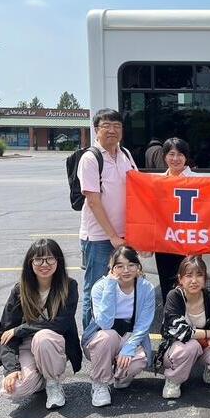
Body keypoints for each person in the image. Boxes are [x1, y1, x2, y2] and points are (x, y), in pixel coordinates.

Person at [0, 239, 81, 409]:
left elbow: (60, 324)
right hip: (26, 346)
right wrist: (11, 369)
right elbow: (6, 331)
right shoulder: (20, 289)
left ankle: (53, 384)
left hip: (52, 343)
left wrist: (21, 329)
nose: (44, 264)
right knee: (14, 390)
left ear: (58, 261)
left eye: (50, 259)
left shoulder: (69, 286)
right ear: (30, 262)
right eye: (38, 259)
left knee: (43, 338)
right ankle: (40, 375)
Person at [79, 108, 138, 328]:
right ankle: (91, 341)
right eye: (106, 126)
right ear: (96, 130)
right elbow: (93, 200)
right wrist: (112, 235)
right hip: (99, 238)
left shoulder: (126, 155)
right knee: (96, 289)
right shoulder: (91, 158)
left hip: (123, 236)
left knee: (120, 288)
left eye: (117, 126)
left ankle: (113, 336)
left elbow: (140, 186)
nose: (112, 130)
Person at [81, 246, 155, 407]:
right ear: (112, 268)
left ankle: (121, 376)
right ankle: (99, 383)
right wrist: (110, 286)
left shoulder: (146, 288)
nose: (126, 270)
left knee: (139, 359)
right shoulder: (100, 287)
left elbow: (144, 323)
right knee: (109, 336)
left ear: (138, 267)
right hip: (101, 338)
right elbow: (105, 323)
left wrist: (129, 347)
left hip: (129, 335)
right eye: (119, 266)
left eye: (131, 265)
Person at [156, 256, 210, 399]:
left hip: (203, 347)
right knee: (191, 346)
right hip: (176, 350)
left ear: (205, 278)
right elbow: (181, 332)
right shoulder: (174, 296)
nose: (194, 280)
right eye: (189, 276)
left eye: (199, 275)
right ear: (180, 279)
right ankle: (173, 380)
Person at [155, 137, 195, 303]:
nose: (175, 158)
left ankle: (190, 322)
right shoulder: (156, 182)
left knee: (190, 283)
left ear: (186, 157)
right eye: (171, 154)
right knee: (166, 283)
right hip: (164, 241)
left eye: (180, 154)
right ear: (165, 157)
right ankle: (170, 320)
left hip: (189, 242)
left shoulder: (197, 181)